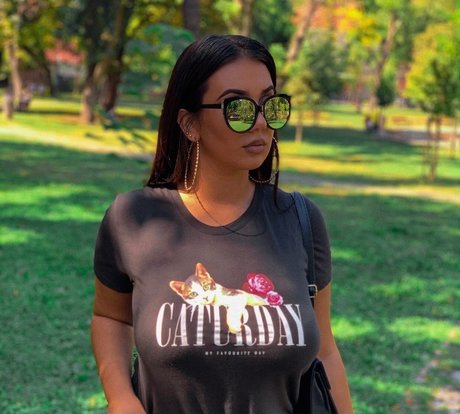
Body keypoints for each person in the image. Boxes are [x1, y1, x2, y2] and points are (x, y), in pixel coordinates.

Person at [91, 34, 353, 414]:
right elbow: (109, 317)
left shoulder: (300, 220)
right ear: (189, 124)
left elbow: (325, 350)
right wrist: (120, 398)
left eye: (270, 104)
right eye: (238, 108)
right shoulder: (133, 218)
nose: (261, 122)